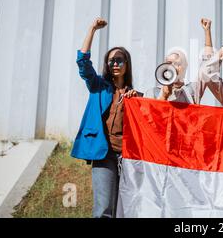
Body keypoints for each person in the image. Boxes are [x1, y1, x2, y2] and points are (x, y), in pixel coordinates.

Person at [71, 17, 141, 218]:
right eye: (111, 60)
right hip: (104, 155)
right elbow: (82, 62)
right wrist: (92, 29)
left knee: (125, 210)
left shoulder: (135, 96)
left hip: (129, 158)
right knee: (103, 210)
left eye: (119, 59)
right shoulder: (98, 86)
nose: (115, 63)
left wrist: (135, 104)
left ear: (127, 64)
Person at [125, 18, 214, 104]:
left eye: (177, 63)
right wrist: (164, 96)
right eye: (169, 63)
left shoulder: (192, 91)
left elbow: (208, 65)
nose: (172, 67)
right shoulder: (152, 93)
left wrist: (207, 32)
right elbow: (149, 116)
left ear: (184, 67)